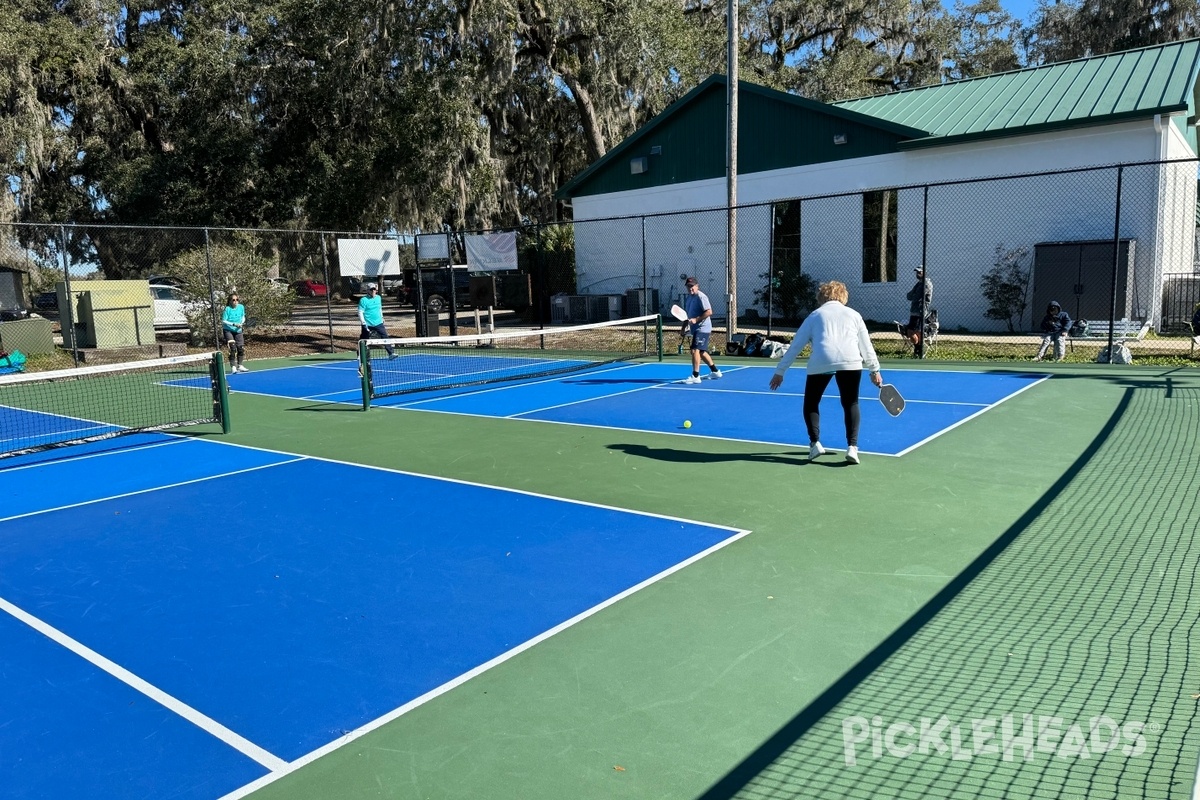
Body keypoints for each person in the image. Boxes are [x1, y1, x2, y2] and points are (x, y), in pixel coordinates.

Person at [769, 280, 883, 465]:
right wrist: (874, 370)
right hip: (851, 361)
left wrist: (780, 371)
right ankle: (852, 448)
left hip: (821, 361)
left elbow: (796, 346)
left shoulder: (814, 316)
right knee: (851, 402)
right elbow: (866, 346)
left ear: (822, 297)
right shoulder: (854, 315)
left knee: (811, 402)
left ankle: (815, 444)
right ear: (843, 296)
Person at [680, 276, 722, 384]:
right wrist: (683, 328)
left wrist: (697, 319)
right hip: (695, 328)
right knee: (702, 352)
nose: (690, 288)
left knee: (694, 350)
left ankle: (695, 376)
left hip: (703, 328)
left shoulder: (701, 297)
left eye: (692, 286)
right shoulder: (689, 298)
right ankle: (715, 371)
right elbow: (687, 315)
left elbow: (709, 312)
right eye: (688, 286)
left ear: (697, 286)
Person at [358, 282, 396, 357]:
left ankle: (391, 353)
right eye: (371, 290)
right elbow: (360, 312)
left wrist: (382, 317)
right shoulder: (363, 300)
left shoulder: (378, 298)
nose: (373, 291)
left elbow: (379, 309)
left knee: (385, 337)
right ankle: (360, 355)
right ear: (368, 290)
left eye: (374, 289)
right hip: (367, 324)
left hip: (378, 323)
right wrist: (363, 323)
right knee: (363, 340)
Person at [903, 266, 933, 357]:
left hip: (920, 312)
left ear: (924, 272)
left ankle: (919, 350)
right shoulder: (918, 284)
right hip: (914, 311)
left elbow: (916, 297)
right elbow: (909, 296)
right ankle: (918, 350)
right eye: (917, 272)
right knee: (911, 332)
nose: (917, 274)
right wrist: (913, 295)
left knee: (913, 332)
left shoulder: (926, 283)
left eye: (919, 272)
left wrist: (913, 295)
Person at [221, 292, 248, 373]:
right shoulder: (227, 309)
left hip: (238, 331)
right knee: (232, 348)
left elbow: (243, 316)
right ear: (230, 301)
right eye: (233, 300)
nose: (235, 301)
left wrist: (241, 323)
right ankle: (233, 367)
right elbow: (224, 321)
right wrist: (234, 324)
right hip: (228, 330)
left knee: (240, 348)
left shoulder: (241, 307)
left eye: (237, 300)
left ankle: (240, 366)